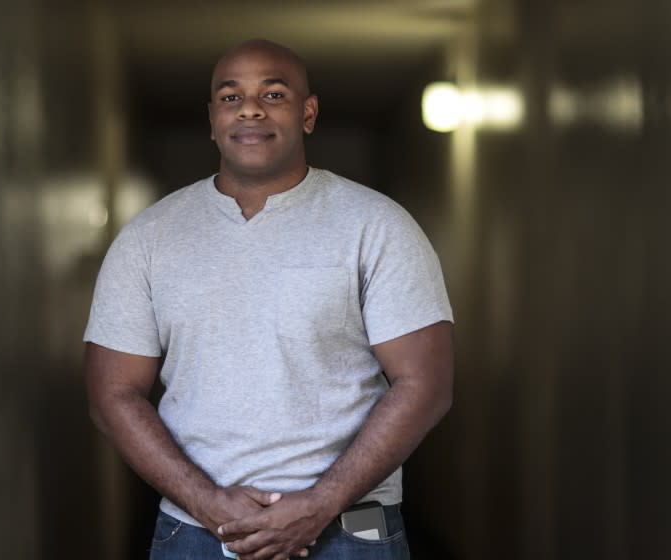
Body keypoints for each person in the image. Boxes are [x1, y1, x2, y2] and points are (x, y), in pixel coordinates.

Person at [84, 38, 454, 560]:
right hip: (198, 533)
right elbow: (112, 392)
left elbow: (426, 384)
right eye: (231, 97)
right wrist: (208, 503)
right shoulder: (150, 238)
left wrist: (318, 504)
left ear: (308, 113)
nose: (251, 108)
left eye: (273, 94)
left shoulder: (377, 226)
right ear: (212, 119)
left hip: (351, 529)